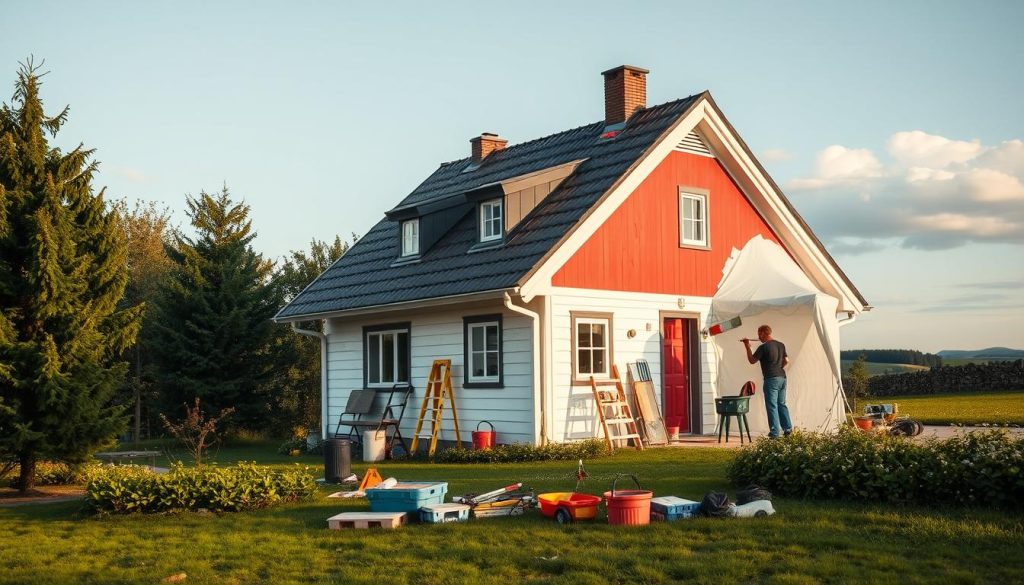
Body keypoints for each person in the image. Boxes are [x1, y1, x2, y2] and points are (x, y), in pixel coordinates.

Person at [741, 325, 792, 438]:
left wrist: (747, 346)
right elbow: (786, 360)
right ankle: (788, 429)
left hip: (771, 379)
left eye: (759, 334)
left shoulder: (763, 347)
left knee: (772, 405)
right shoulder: (781, 345)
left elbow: (752, 360)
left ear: (763, 333)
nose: (759, 337)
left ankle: (774, 433)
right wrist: (779, 368)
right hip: (782, 378)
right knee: (781, 404)